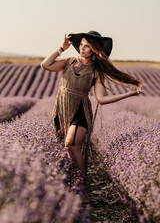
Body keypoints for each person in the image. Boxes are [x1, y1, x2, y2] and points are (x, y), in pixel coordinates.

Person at [40, 31, 142, 186]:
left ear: (94, 49)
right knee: (67, 148)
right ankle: (72, 182)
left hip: (80, 110)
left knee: (71, 144)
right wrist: (61, 48)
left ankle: (80, 185)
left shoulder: (96, 71)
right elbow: (45, 65)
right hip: (61, 108)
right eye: (81, 45)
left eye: (87, 46)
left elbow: (101, 99)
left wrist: (128, 94)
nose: (82, 49)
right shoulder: (68, 62)